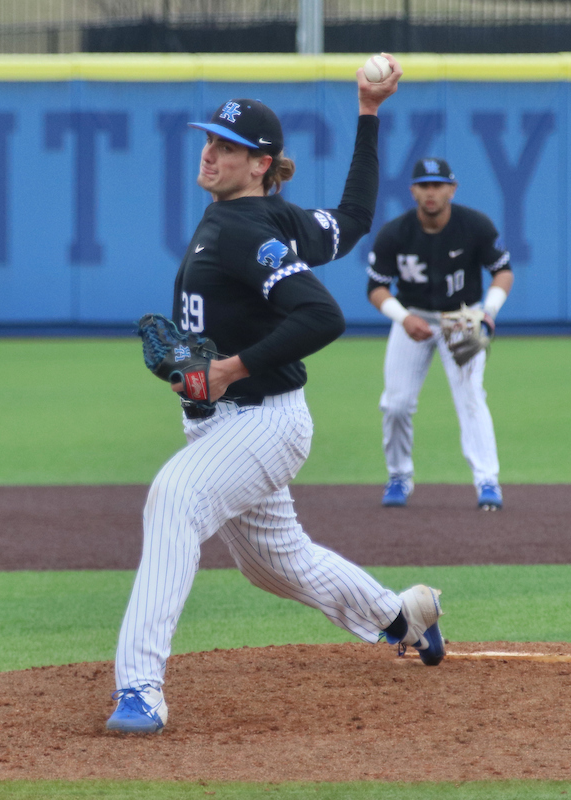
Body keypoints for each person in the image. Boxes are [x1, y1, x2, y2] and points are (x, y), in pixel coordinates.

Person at [106, 55, 446, 736]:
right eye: (208, 140)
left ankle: (139, 689)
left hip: (261, 423)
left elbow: (322, 316)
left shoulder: (248, 234)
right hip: (225, 426)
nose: (210, 153)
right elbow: (351, 217)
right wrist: (369, 116)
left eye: (227, 147)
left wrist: (230, 366)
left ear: (260, 162)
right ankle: (403, 614)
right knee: (276, 565)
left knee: (173, 500)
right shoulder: (274, 220)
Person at [366, 157, 514, 510]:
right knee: (396, 404)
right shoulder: (395, 232)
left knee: (471, 398)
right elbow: (376, 288)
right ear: (413, 190)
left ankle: (487, 481)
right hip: (413, 316)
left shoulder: (474, 225)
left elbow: (503, 271)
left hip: (460, 319)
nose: (431, 192)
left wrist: (488, 312)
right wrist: (403, 318)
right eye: (424, 185)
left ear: (452, 188)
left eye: (438, 185)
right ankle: (399, 475)